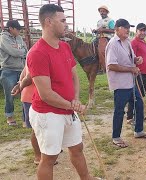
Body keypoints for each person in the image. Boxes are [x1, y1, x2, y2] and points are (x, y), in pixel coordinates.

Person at [26, 4, 95, 180]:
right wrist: (72, 105)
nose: (66, 24)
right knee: (49, 158)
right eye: (62, 20)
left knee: (77, 148)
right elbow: (46, 94)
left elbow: (74, 77)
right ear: (49, 22)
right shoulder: (37, 53)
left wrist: (76, 99)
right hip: (47, 113)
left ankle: (86, 178)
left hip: (68, 109)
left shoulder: (64, 47)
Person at [106, 18, 146, 148]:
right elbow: (111, 66)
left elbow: (130, 59)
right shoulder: (113, 44)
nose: (128, 29)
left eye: (128, 27)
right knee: (119, 110)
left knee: (139, 104)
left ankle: (138, 131)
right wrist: (131, 69)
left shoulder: (127, 42)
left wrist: (136, 60)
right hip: (120, 84)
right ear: (117, 29)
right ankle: (116, 137)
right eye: (125, 27)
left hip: (131, 82)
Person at [11, 66, 42, 165]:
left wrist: (19, 84)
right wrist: (20, 86)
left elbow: (23, 73)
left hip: (35, 96)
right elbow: (28, 76)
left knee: (43, 127)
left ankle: (47, 151)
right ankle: (38, 156)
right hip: (31, 97)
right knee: (36, 129)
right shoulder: (36, 53)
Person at [0, 20, 28, 126]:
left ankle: (25, 118)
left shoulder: (19, 38)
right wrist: (20, 52)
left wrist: (20, 52)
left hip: (21, 69)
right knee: (10, 96)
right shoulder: (3, 38)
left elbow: (26, 50)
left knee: (25, 94)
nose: (19, 32)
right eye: (18, 29)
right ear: (11, 28)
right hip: (8, 70)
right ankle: (10, 117)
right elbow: (14, 52)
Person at [126, 23, 146, 124]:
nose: (142, 33)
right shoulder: (134, 43)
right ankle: (130, 117)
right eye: (140, 30)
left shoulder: (143, 42)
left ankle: (139, 115)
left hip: (145, 73)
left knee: (141, 95)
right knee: (135, 96)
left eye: (144, 31)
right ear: (136, 31)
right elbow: (131, 58)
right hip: (138, 73)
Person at [92, 5, 115, 74]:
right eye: (101, 11)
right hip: (98, 37)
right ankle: (95, 65)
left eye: (103, 11)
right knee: (90, 47)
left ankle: (103, 68)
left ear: (107, 12)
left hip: (107, 37)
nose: (102, 13)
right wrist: (95, 30)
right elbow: (99, 30)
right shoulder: (99, 21)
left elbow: (114, 30)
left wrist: (103, 30)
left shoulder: (110, 20)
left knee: (101, 50)